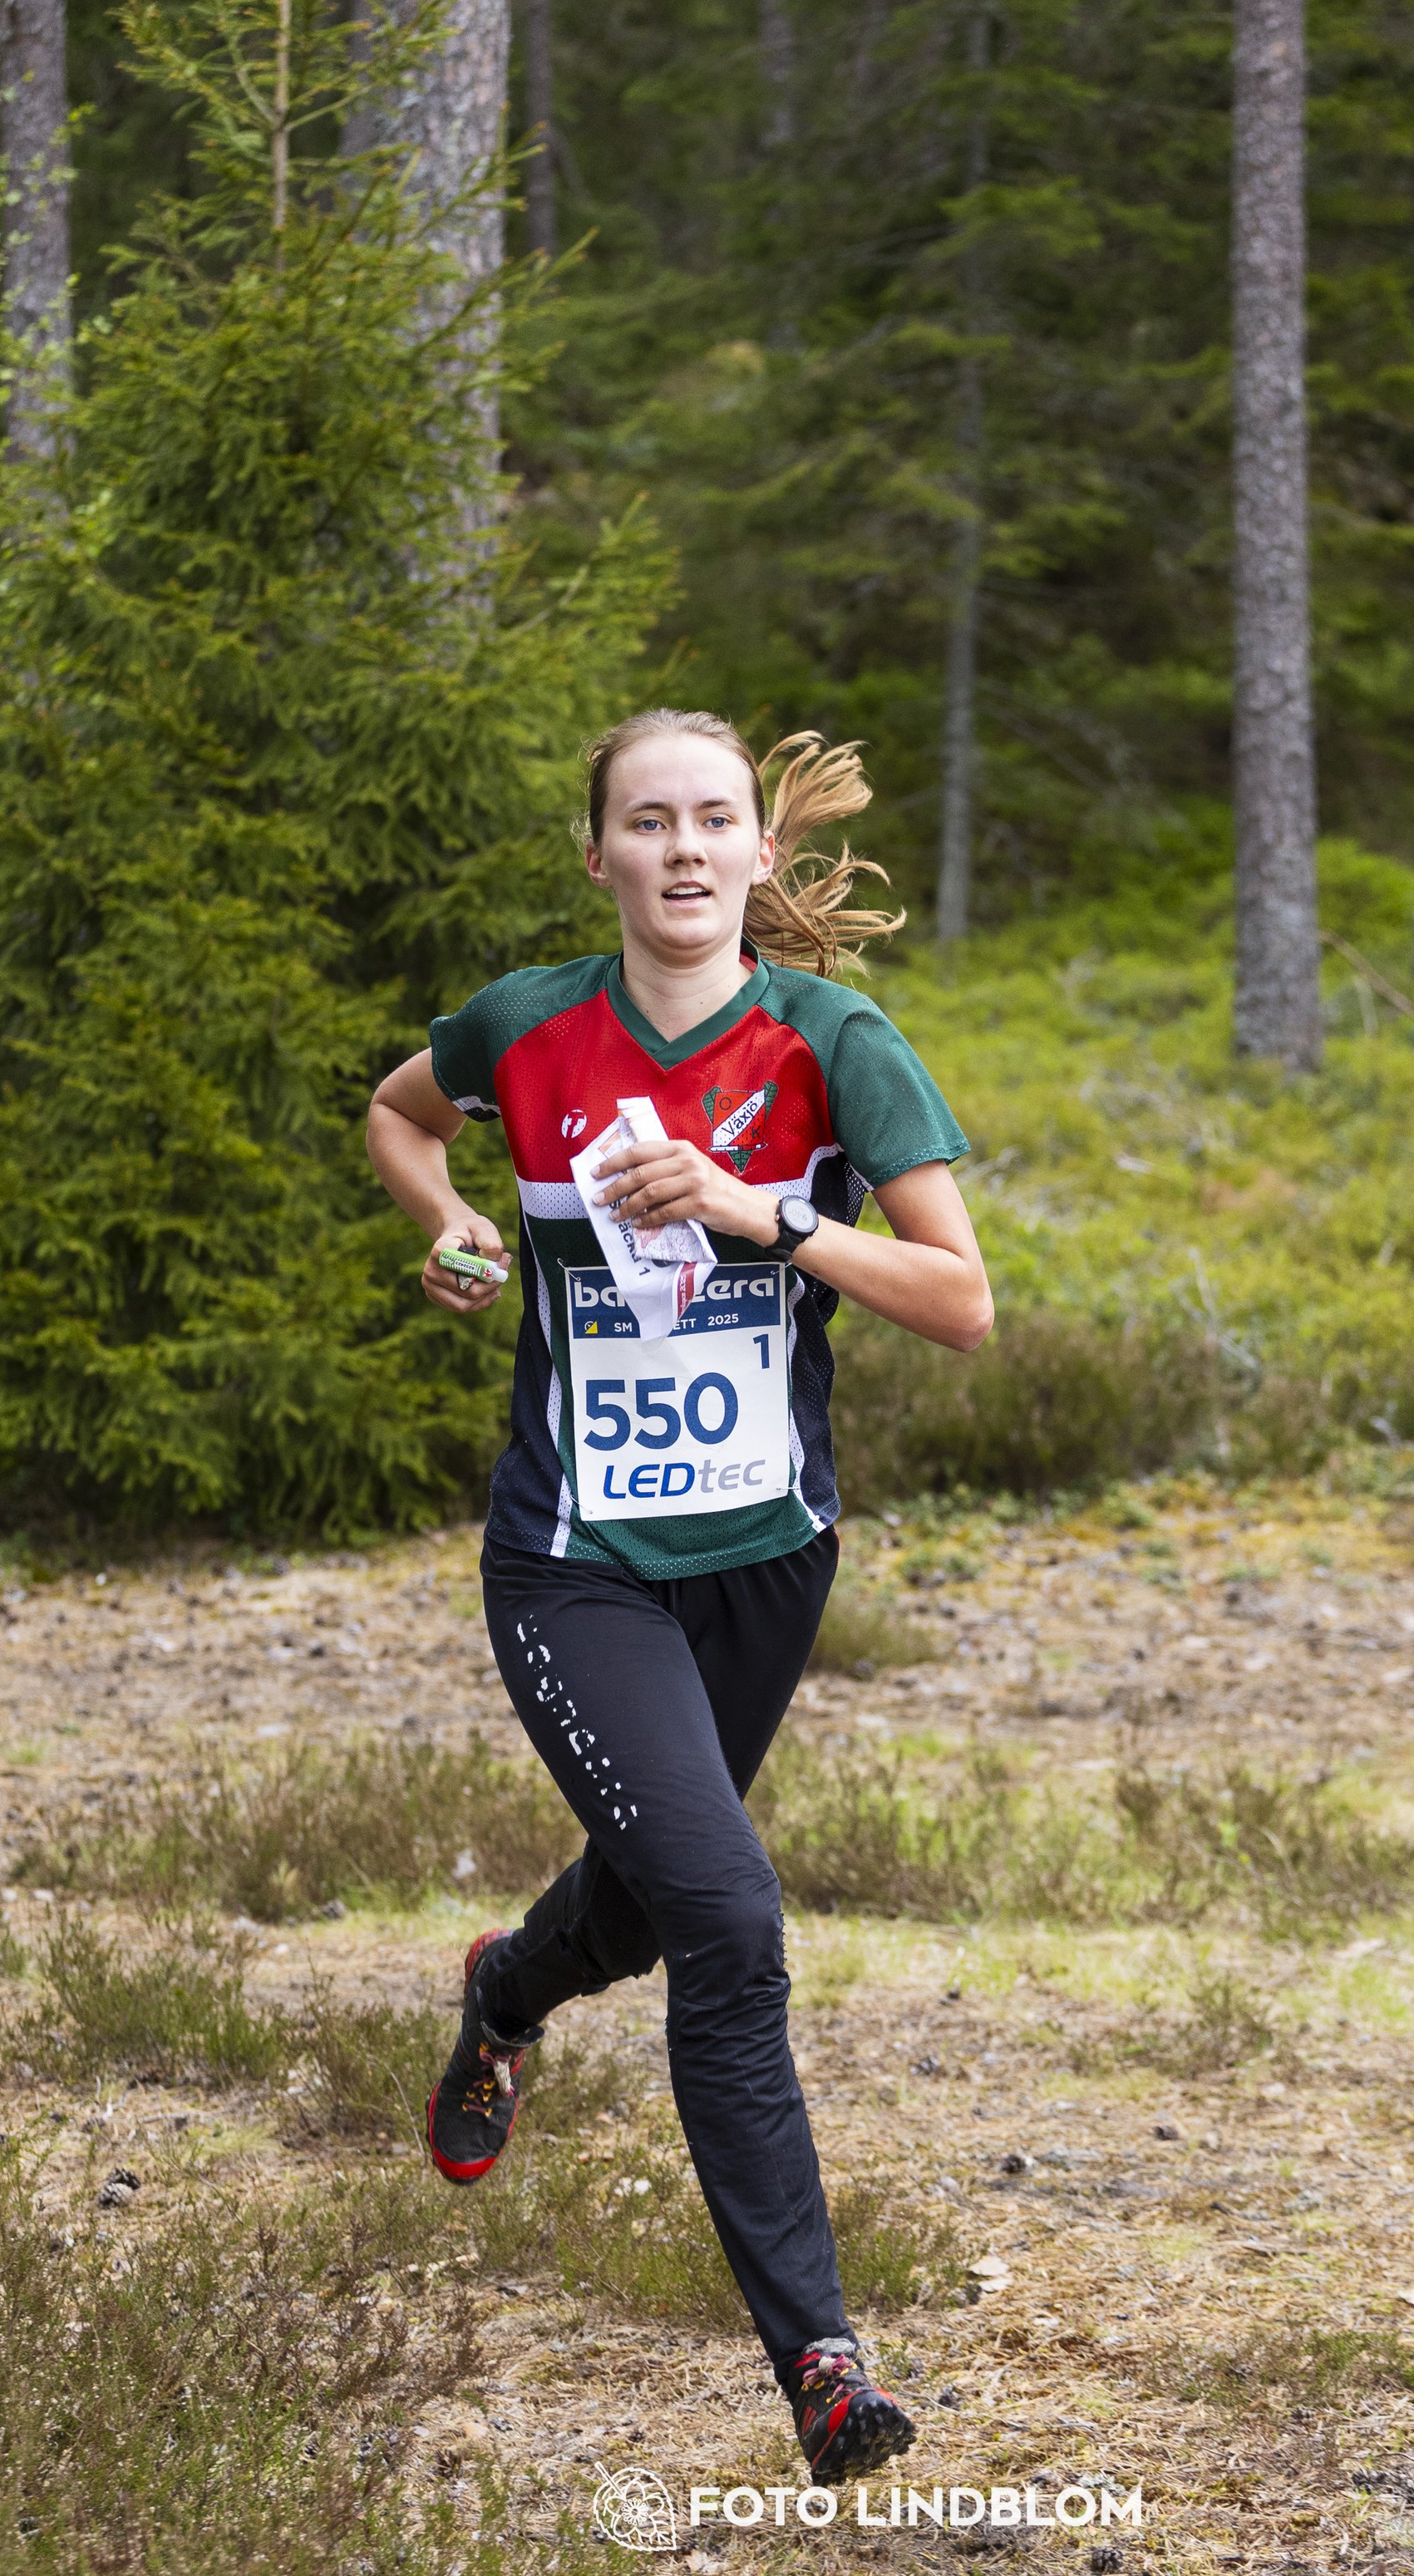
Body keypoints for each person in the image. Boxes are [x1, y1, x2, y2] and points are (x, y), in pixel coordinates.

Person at [363, 708, 993, 2485]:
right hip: (576, 1564)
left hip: (768, 1561)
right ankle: (822, 2363)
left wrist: (758, 1216)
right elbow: (401, 1119)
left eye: (716, 820)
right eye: (650, 824)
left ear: (757, 856)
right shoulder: (528, 1027)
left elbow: (960, 1301)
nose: (687, 850)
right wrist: (452, 1224)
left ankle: (504, 1991)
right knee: (726, 1919)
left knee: (645, 1903)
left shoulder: (832, 1046)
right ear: (603, 858)